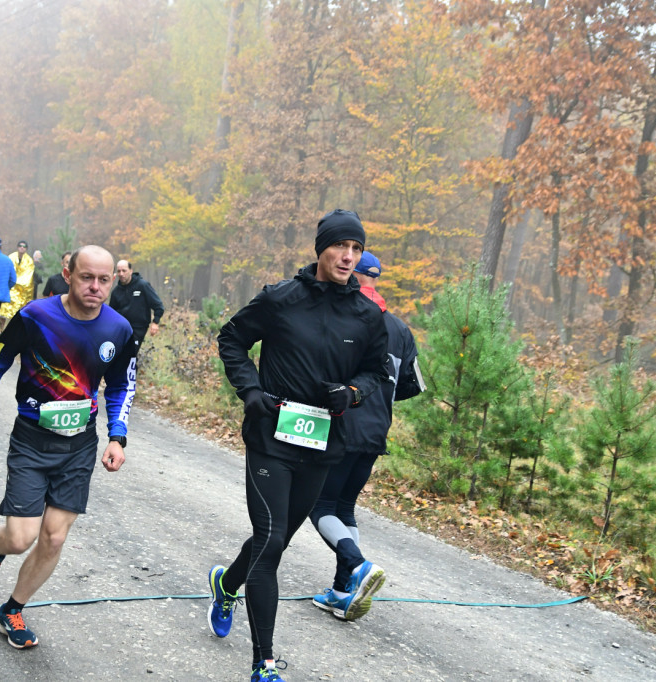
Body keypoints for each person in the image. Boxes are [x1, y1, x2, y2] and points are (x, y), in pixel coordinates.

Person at [206, 209, 388, 682]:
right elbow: (231, 339)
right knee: (270, 544)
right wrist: (251, 392)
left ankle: (226, 584)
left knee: (280, 535)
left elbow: (375, 371)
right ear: (321, 249)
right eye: (340, 246)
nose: (349, 256)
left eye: (355, 248)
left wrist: (352, 393)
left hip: (323, 443)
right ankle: (263, 663)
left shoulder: (367, 313)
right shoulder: (281, 298)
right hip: (271, 438)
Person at [0, 245, 137, 650]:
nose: (95, 287)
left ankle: (13, 609)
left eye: (104, 279)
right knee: (21, 537)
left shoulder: (119, 329)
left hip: (79, 445)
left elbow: (121, 385)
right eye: (86, 277)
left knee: (54, 538)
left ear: (113, 279)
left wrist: (117, 434)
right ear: (68, 273)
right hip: (31, 439)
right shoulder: (36, 316)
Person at [308, 251, 424, 620]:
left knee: (320, 506)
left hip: (341, 424)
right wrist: (381, 398)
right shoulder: (401, 329)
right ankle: (343, 592)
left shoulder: (348, 314)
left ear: (352, 273)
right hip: (376, 430)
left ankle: (358, 565)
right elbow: (413, 384)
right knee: (344, 508)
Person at [108, 259, 164, 350]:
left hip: (138, 328)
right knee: (120, 355)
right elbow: (111, 314)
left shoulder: (143, 286)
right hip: (121, 329)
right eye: (119, 271)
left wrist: (155, 322)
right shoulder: (116, 292)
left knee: (130, 352)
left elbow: (158, 306)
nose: (121, 274)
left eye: (124, 270)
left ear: (131, 271)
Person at [0, 240, 38, 330]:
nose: (22, 247)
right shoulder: (11, 257)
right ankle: (1, 329)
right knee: (3, 311)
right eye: (20, 246)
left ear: (26, 249)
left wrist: (14, 281)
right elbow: (6, 272)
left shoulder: (29, 261)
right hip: (9, 289)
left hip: (22, 291)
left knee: (19, 314)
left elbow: (27, 278)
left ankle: (15, 331)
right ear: (17, 247)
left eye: (24, 246)